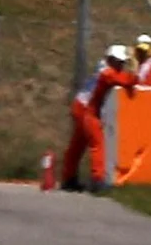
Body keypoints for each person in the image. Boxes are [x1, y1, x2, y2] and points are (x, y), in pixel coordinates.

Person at [45, 42, 139, 192]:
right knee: (97, 143)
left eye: (122, 62)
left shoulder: (102, 68)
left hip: (80, 104)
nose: (120, 65)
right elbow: (129, 81)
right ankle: (97, 180)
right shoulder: (107, 73)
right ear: (110, 59)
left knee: (77, 145)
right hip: (88, 110)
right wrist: (134, 65)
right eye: (118, 61)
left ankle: (69, 179)